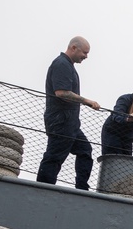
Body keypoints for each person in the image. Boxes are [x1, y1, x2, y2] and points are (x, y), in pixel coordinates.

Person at [36, 36, 101, 190]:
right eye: (84, 52)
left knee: (85, 150)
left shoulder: (68, 65)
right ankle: (43, 188)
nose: (86, 56)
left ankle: (82, 187)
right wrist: (87, 101)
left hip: (70, 122)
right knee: (55, 156)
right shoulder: (62, 64)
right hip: (61, 121)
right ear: (73, 48)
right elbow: (61, 93)